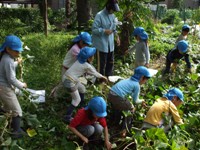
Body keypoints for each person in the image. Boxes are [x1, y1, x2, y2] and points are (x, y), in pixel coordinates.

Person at [62, 47, 108, 123]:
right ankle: (67, 116)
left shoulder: (79, 61)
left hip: (68, 78)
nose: (93, 57)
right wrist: (104, 77)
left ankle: (82, 106)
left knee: (82, 89)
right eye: (92, 56)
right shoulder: (87, 65)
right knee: (77, 99)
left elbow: (86, 72)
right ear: (89, 58)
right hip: (70, 82)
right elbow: (95, 73)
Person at [107, 66, 152, 136]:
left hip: (110, 94)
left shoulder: (128, 80)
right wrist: (142, 100)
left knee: (118, 107)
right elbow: (135, 101)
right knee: (131, 108)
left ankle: (115, 123)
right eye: (146, 79)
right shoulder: (137, 85)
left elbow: (130, 93)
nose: (145, 82)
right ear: (142, 77)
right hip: (117, 97)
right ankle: (124, 130)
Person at [0, 35, 27, 138]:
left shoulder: (5, 56)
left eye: (19, 51)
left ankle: (6, 116)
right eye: (16, 51)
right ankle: (16, 131)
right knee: (17, 111)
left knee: (8, 106)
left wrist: (17, 62)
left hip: (2, 87)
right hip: (5, 88)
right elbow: (11, 79)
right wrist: (22, 85)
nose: (18, 53)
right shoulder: (8, 60)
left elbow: (8, 67)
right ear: (8, 49)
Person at [92, 0, 120, 77]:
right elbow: (94, 30)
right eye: (112, 10)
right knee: (101, 64)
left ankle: (109, 78)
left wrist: (117, 37)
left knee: (110, 62)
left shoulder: (113, 16)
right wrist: (104, 31)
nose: (113, 12)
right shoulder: (99, 15)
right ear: (108, 7)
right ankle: (100, 81)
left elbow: (114, 28)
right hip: (101, 44)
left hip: (110, 45)